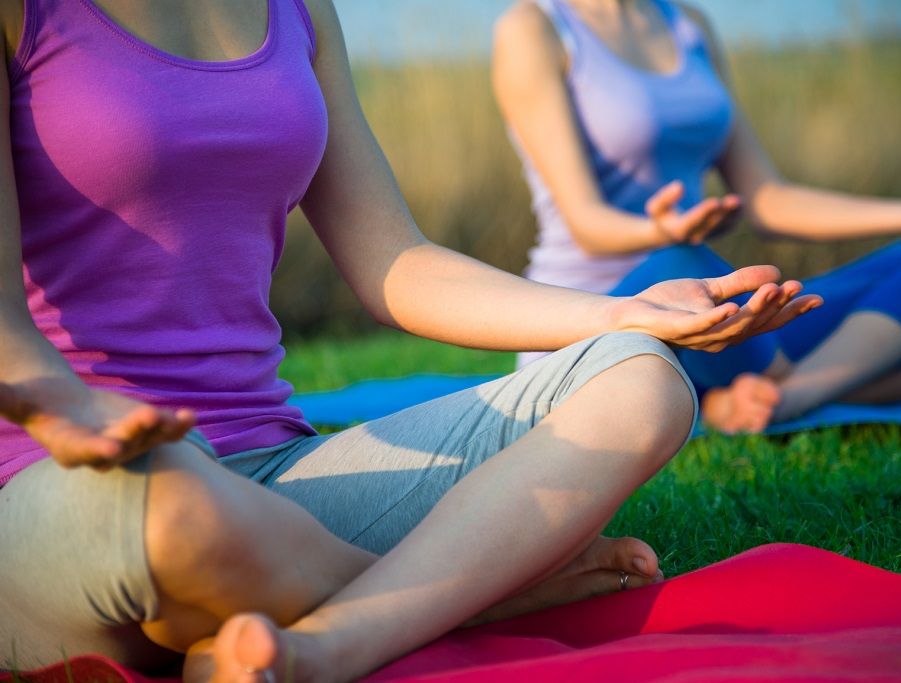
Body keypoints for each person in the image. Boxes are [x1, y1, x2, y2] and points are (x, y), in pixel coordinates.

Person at [0, 0, 819, 680]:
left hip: (274, 478)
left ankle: (321, 647)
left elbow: (396, 261)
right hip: (63, 485)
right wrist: (65, 403)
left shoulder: (298, 11)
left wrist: (621, 312)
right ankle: (473, 591)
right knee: (183, 505)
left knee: (644, 381)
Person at [493, 0, 901, 434]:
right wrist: (662, 231)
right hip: (597, 322)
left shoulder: (687, 25)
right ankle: (835, 382)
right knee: (680, 263)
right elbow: (587, 222)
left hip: (716, 321)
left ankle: (788, 394)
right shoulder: (536, 28)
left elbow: (767, 198)